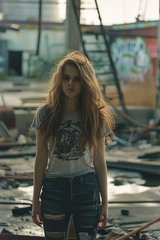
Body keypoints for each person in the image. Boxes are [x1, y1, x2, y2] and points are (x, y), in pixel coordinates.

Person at [31, 50, 115, 240]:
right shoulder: (45, 114)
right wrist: (35, 200)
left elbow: (99, 161)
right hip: (53, 190)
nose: (70, 83)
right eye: (66, 78)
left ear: (85, 82)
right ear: (59, 80)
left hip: (86, 188)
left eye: (76, 79)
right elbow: (41, 158)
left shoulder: (95, 115)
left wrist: (105, 203)